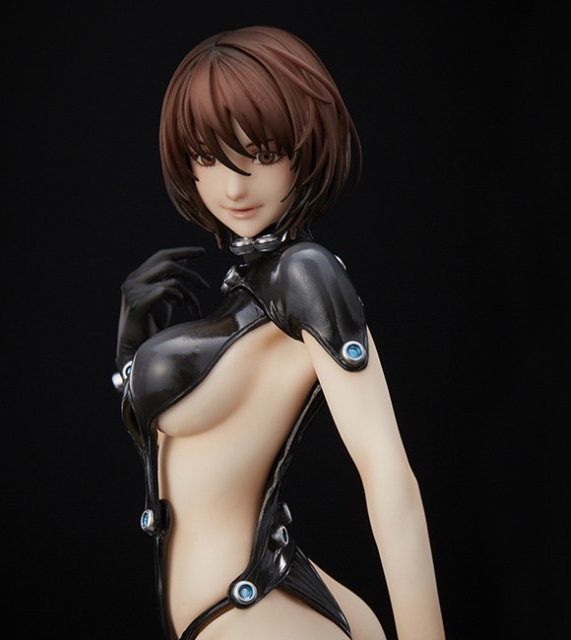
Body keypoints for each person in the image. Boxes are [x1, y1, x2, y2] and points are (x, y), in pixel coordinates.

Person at [112, 26, 445, 640]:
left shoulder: (305, 275)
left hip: (252, 612)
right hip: (249, 603)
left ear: (303, 149)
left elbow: (386, 472)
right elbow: (188, 465)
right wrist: (130, 356)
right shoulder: (254, 288)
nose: (234, 187)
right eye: (207, 157)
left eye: (262, 153)